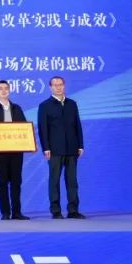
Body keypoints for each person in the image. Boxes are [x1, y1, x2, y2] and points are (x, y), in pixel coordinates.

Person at [38, 76, 85, 219]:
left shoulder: (72, 104)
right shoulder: (45, 105)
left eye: (60, 84)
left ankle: (73, 210)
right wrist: (46, 148)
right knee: (54, 180)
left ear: (64, 86)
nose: (58, 87)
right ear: (50, 87)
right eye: (55, 85)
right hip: (54, 149)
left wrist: (80, 145)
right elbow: (43, 129)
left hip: (72, 148)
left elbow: (77, 125)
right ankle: (55, 210)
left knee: (72, 181)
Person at [0, 80, 29, 220]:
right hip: (0, 150)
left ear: (9, 90)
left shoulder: (17, 108)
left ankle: (17, 212)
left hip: (16, 150)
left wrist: (29, 143)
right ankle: (5, 212)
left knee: (16, 181)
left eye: (6, 88)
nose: (3, 91)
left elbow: (25, 128)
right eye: (0, 88)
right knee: (2, 181)